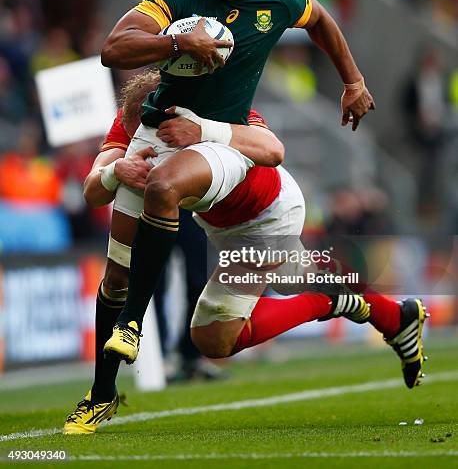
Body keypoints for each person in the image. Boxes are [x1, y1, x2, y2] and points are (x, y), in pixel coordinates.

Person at [64, 80, 427, 434]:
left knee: (213, 339)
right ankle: (398, 316)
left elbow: (272, 148)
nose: (146, 139)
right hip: (221, 226)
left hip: (266, 216)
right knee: (304, 277)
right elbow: (93, 191)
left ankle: (328, 303)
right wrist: (114, 171)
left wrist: (207, 131)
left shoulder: (214, 105)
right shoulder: (133, 118)